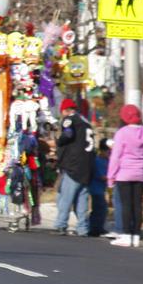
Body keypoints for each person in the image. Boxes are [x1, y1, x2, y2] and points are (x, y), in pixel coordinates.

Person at [107, 104, 143, 247]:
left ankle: (126, 235)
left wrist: (111, 176)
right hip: (140, 172)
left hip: (124, 173)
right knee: (137, 205)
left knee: (126, 205)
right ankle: (135, 235)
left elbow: (116, 156)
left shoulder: (122, 133)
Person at [53, 97, 96, 237]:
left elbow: (68, 134)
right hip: (88, 165)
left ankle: (61, 224)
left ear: (66, 110)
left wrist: (59, 141)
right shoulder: (86, 122)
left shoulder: (70, 119)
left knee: (66, 196)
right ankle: (83, 227)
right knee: (82, 197)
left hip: (74, 165)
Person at [89, 140, 110, 237]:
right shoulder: (97, 161)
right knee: (99, 208)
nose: (109, 154)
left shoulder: (107, 161)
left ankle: (98, 227)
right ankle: (94, 228)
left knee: (102, 208)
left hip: (102, 189)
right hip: (96, 189)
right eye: (108, 152)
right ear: (102, 151)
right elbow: (101, 176)